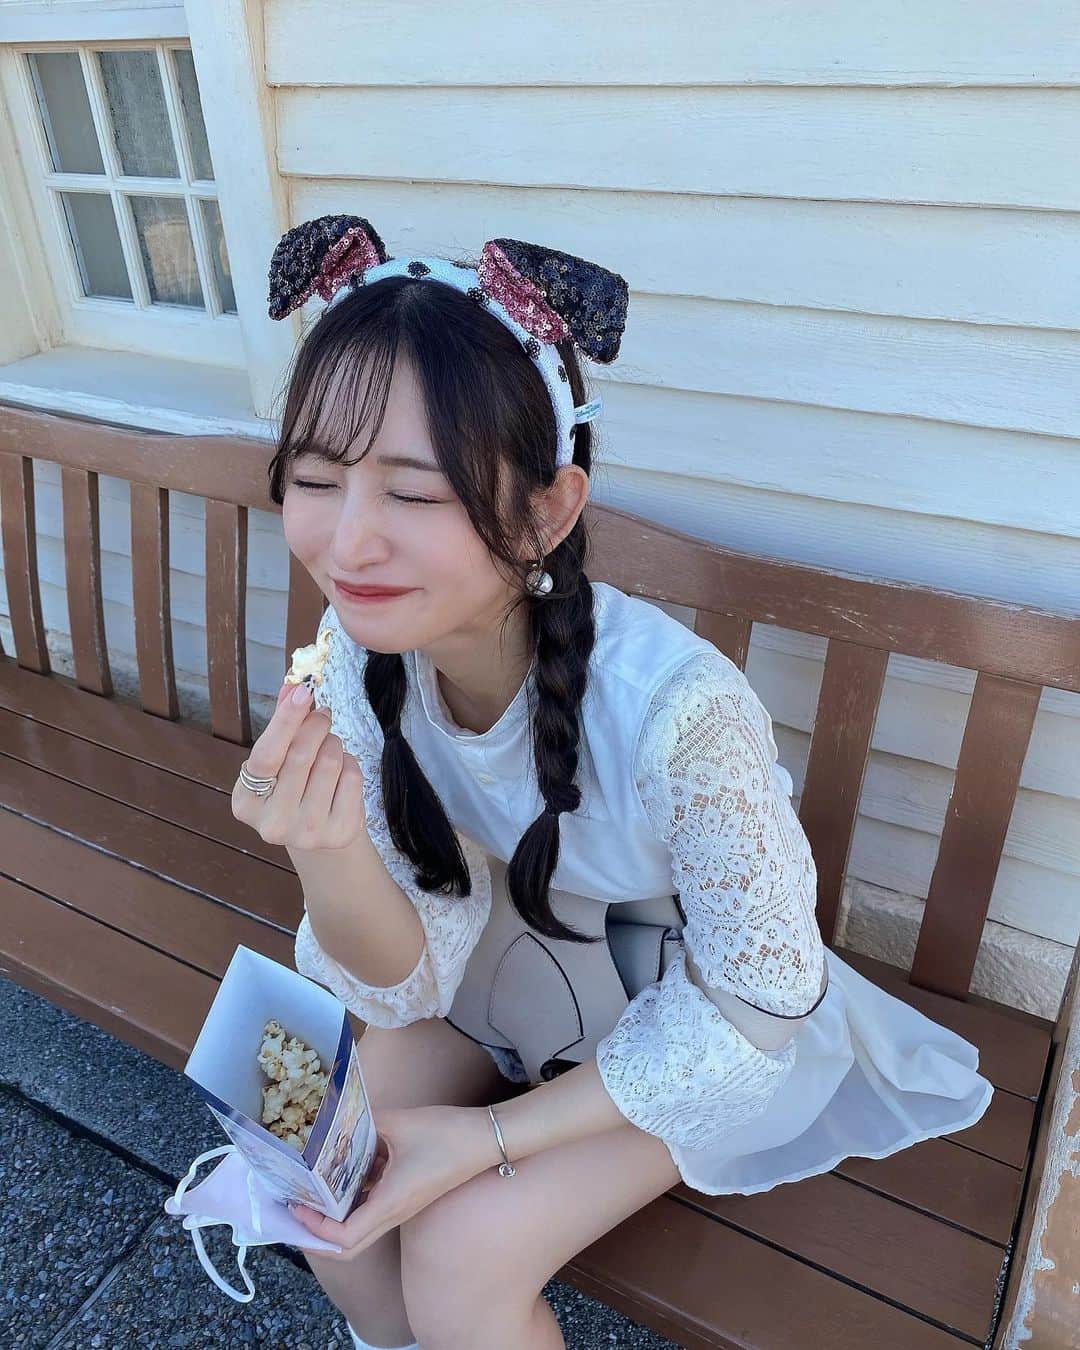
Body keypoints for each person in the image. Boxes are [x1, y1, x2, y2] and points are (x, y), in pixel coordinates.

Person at [230, 215, 994, 1350]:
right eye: (314, 479)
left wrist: (487, 1140)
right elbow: (397, 976)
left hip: (678, 1021)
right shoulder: (356, 660)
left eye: (414, 494)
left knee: (460, 1247)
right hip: (504, 986)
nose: (348, 545)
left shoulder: (679, 714)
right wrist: (326, 845)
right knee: (304, 1138)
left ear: (546, 511)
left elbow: (754, 1005)